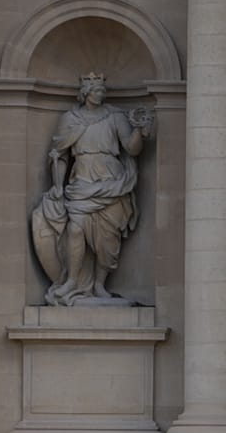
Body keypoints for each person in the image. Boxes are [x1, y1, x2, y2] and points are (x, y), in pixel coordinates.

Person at [30, 72, 154, 307]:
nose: (100, 94)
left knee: (108, 240)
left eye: (102, 91)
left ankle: (99, 285)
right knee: (75, 229)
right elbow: (60, 155)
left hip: (112, 182)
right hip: (82, 183)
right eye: (96, 90)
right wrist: (57, 185)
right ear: (85, 93)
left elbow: (131, 148)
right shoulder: (70, 119)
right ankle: (72, 281)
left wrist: (139, 131)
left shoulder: (115, 116)